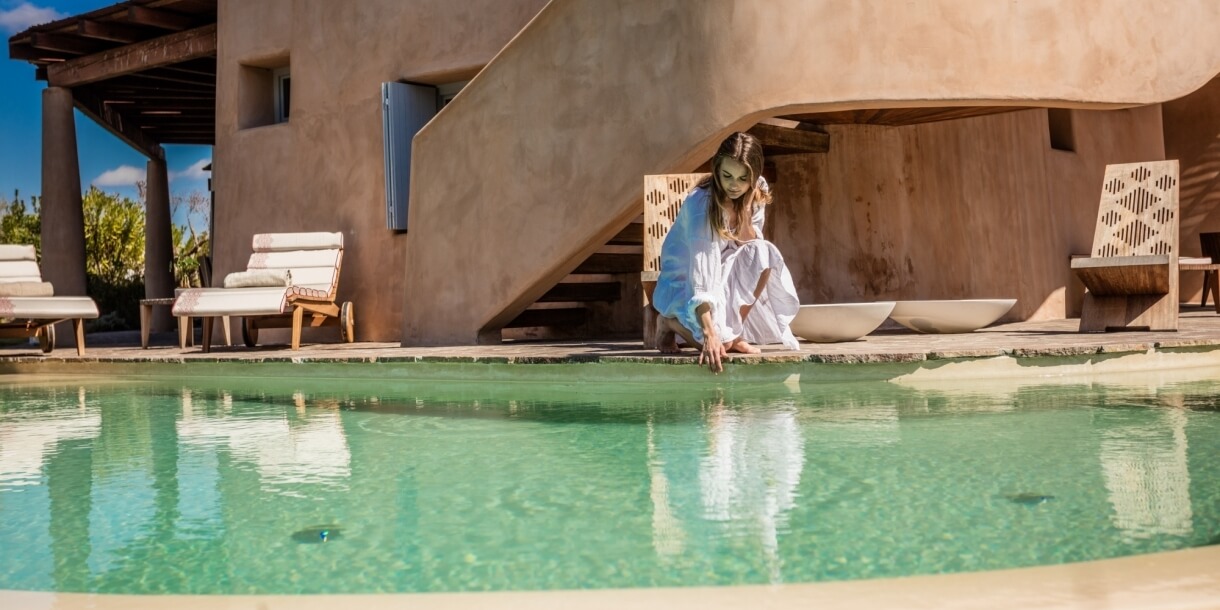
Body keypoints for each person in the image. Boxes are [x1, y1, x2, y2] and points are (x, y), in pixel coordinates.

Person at [652, 131, 800, 373]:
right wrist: (710, 333)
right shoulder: (702, 204)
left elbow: (749, 246)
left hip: (724, 272)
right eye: (727, 176)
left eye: (744, 179)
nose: (734, 185)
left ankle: (735, 332)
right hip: (686, 280)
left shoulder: (753, 191)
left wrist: (747, 203)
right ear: (716, 170)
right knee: (711, 344)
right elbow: (701, 275)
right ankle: (668, 321)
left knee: (765, 252)